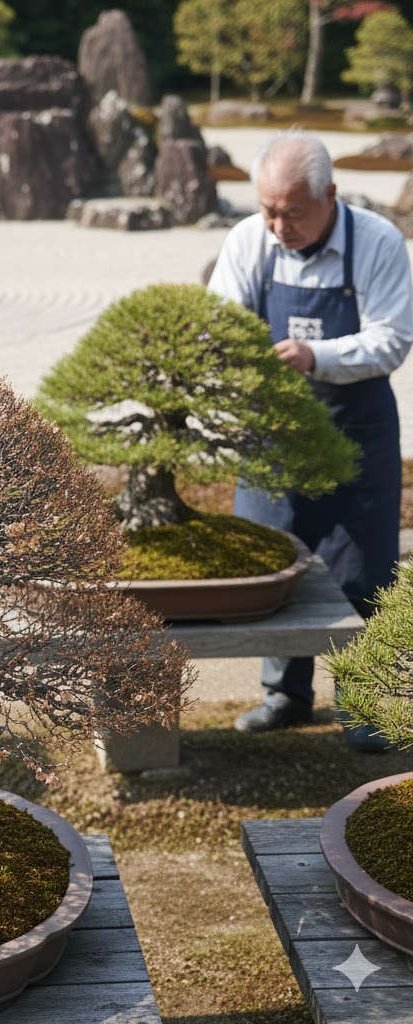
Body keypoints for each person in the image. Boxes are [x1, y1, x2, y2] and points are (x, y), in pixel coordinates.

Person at [207, 128, 413, 749]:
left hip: (357, 431)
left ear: (331, 195)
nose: (278, 225)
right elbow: (217, 327)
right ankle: (283, 695)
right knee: (273, 563)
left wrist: (315, 355)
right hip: (274, 436)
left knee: (365, 569)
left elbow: (392, 339)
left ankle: (364, 707)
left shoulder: (377, 242)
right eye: (268, 209)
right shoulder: (249, 241)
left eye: (292, 212)